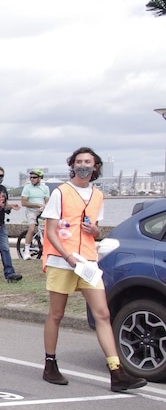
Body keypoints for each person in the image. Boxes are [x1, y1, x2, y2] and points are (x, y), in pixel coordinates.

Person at [40, 147, 147, 392]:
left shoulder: (98, 195)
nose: (83, 165)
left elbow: (95, 227)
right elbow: (51, 231)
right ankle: (50, 364)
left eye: (87, 161)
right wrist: (67, 256)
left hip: (87, 261)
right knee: (56, 314)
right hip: (62, 260)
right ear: (72, 165)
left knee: (103, 314)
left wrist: (96, 232)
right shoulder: (61, 192)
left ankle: (116, 372)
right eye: (78, 161)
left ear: (95, 166)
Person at [20, 169, 50, 260]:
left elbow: (47, 201)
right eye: (31, 177)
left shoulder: (45, 188)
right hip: (31, 210)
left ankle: (48, 249)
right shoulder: (27, 188)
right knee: (32, 228)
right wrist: (37, 205)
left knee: (49, 229)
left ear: (40, 178)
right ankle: (27, 251)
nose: (32, 179)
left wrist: (45, 207)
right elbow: (24, 202)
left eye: (34, 177)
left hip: (42, 210)